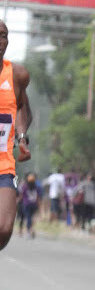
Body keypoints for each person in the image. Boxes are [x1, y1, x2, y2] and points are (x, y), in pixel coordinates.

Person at [0, 20, 32, 251]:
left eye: (3, 35)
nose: (0, 40)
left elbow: (22, 108)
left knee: (4, 228)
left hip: (3, 163)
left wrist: (21, 138)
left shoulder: (17, 75)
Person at [18, 172, 40, 239]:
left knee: (28, 218)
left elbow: (21, 195)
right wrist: (38, 204)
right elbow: (38, 197)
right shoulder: (36, 187)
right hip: (34, 204)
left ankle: (29, 231)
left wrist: (17, 201)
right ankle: (30, 229)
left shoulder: (25, 186)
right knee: (31, 218)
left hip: (26, 204)